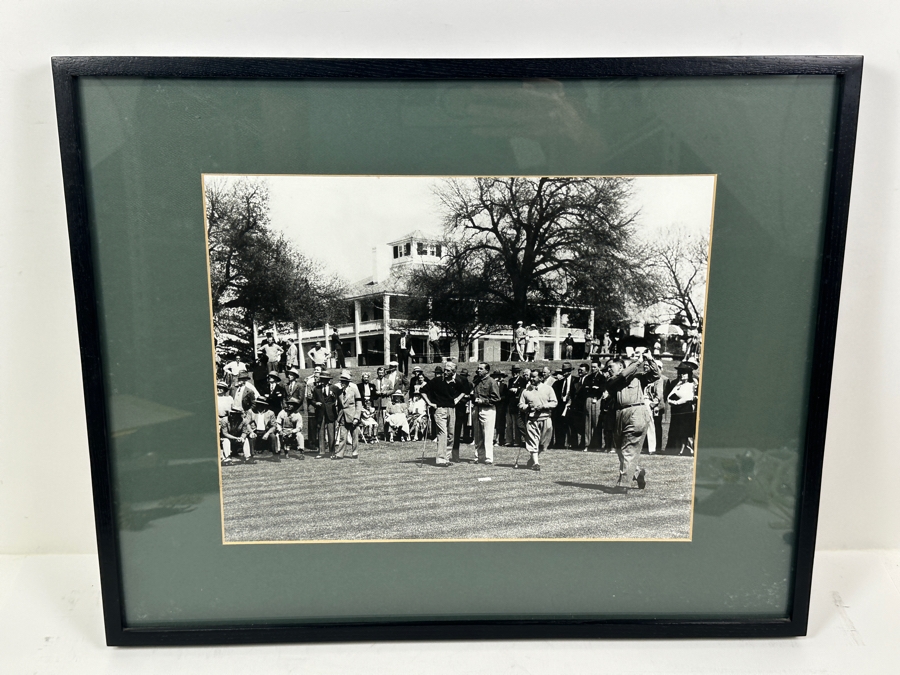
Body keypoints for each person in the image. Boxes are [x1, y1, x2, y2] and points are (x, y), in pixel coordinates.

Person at [605, 352, 660, 492]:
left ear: (620, 366)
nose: (608, 370)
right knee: (620, 450)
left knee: (628, 450)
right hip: (620, 414)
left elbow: (656, 375)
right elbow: (623, 375)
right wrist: (638, 362)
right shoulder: (611, 380)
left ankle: (623, 485)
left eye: (611, 367)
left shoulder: (638, 378)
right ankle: (637, 472)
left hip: (636, 412)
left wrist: (650, 359)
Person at [420, 360, 464, 466]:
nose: (445, 372)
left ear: (453, 372)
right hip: (440, 410)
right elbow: (422, 391)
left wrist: (457, 399)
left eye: (448, 370)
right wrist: (429, 403)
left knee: (451, 435)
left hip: (452, 409)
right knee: (442, 434)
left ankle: (446, 458)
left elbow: (464, 391)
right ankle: (441, 459)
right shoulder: (437, 380)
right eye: (445, 370)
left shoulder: (456, 382)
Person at [518, 368, 558, 471]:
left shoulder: (548, 389)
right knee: (533, 441)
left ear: (540, 377)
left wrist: (544, 406)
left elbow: (554, 402)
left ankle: (532, 459)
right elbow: (521, 405)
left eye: (534, 377)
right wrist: (527, 407)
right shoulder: (526, 391)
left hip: (546, 419)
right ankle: (536, 463)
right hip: (532, 420)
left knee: (543, 443)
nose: (531, 379)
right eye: (531, 377)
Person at [470, 362, 501, 465]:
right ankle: (478, 456)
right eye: (478, 368)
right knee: (477, 435)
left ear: (487, 370)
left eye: (481, 369)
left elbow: (496, 399)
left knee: (487, 434)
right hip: (476, 409)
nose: (478, 370)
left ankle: (488, 458)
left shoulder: (492, 382)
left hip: (487, 410)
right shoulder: (476, 381)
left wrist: (483, 401)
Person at [666, 363, 698, 456]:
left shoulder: (691, 385)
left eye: (684, 373)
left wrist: (676, 402)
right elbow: (670, 395)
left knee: (684, 430)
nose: (682, 375)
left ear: (689, 374)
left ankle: (683, 449)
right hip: (677, 410)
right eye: (681, 373)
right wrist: (671, 401)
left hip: (685, 409)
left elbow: (688, 397)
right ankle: (677, 448)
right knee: (677, 429)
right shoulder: (678, 384)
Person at [333, 369, 362, 459]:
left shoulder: (354, 390)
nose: (342, 383)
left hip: (353, 417)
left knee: (354, 436)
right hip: (342, 417)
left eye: (344, 382)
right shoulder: (339, 392)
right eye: (341, 381)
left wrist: (357, 417)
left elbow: (359, 404)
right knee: (342, 436)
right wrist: (338, 417)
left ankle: (355, 453)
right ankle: (340, 454)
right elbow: (338, 405)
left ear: (348, 382)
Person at [312, 371, 338, 458]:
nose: (324, 381)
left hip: (331, 413)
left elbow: (339, 399)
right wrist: (315, 403)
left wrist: (334, 398)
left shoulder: (334, 388)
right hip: (320, 412)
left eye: (326, 379)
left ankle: (332, 452)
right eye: (322, 379)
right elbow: (312, 400)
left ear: (329, 380)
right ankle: (321, 452)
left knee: (331, 432)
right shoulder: (317, 389)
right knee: (320, 432)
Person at [582, 361, 606, 450]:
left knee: (596, 422)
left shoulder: (602, 378)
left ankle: (597, 444)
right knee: (587, 422)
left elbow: (601, 389)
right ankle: (587, 444)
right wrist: (593, 388)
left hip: (597, 399)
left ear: (599, 367)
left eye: (595, 367)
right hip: (589, 399)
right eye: (592, 367)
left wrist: (596, 389)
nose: (593, 369)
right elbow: (585, 388)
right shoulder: (588, 378)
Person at [551, 362, 575, 448]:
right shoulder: (559, 382)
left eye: (567, 370)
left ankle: (573, 443)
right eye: (564, 371)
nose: (565, 372)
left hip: (571, 404)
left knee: (571, 425)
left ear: (570, 371)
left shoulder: (575, 380)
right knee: (559, 424)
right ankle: (559, 443)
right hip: (561, 405)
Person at [452, 367, 474, 454]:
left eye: (465, 375)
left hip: (466, 404)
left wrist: (465, 397)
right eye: (462, 375)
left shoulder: (469, 384)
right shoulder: (456, 382)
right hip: (457, 404)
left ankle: (466, 436)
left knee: (467, 422)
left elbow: (470, 394)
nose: (463, 377)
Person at [505, 365, 526, 446]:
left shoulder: (522, 380)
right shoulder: (511, 380)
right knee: (509, 423)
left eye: (516, 372)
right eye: (513, 372)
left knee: (516, 424)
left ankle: (517, 440)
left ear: (519, 372)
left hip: (517, 404)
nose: (514, 373)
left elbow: (523, 390)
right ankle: (509, 440)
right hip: (510, 403)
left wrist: (517, 390)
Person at [569, 363, 589, 449]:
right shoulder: (576, 381)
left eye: (582, 370)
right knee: (574, 425)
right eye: (579, 370)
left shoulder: (588, 380)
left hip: (584, 406)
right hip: (575, 407)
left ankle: (583, 444)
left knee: (583, 426)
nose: (580, 372)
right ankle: (574, 444)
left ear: (587, 371)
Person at [492, 371, 508, 446]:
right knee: (493, 423)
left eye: (497, 376)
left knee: (500, 423)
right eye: (494, 376)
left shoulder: (503, 386)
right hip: (492, 406)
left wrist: (500, 398)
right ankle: (493, 439)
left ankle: (499, 439)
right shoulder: (491, 385)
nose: (496, 378)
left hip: (501, 407)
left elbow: (506, 396)